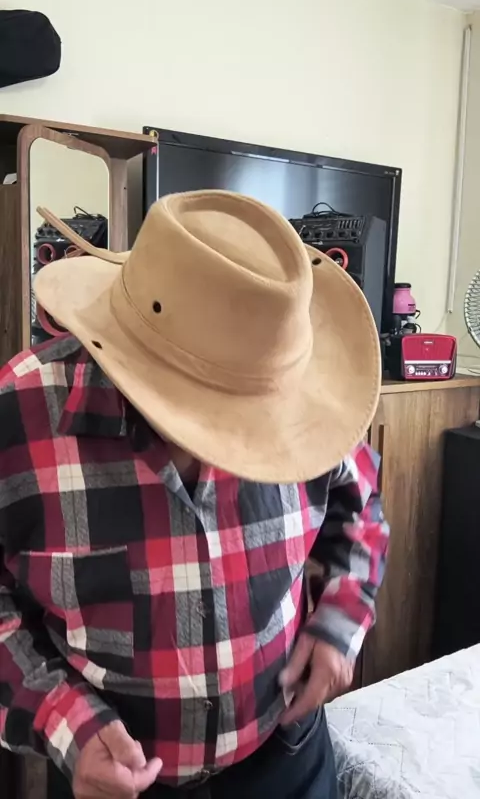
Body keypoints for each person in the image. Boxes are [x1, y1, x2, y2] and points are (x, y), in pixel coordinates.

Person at [0, 191, 388, 799]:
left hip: (286, 754)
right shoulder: (18, 417)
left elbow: (361, 507)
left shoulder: (315, 401)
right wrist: (60, 717)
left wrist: (342, 616)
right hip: (116, 779)